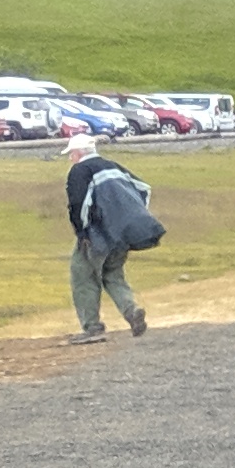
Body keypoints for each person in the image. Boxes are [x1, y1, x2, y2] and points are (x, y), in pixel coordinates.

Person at [63, 133, 146, 341]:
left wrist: (82, 232)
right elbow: (144, 189)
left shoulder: (80, 171)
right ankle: (131, 311)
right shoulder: (113, 166)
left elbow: (77, 204)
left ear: (79, 152)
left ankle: (92, 327)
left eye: (71, 153)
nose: (70, 157)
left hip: (96, 234)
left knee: (83, 275)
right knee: (112, 273)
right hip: (121, 231)